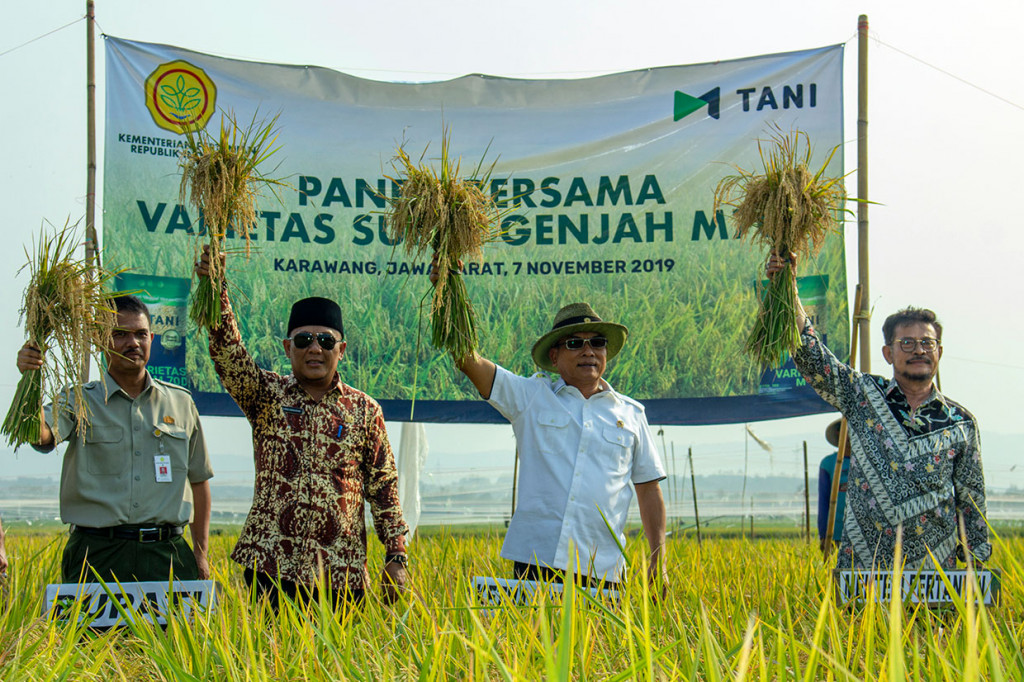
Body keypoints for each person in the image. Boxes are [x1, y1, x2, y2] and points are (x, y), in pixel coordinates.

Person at [432, 264, 667, 591]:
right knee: (532, 628)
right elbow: (466, 358)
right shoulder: (530, 397)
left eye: (597, 342)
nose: (588, 351)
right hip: (536, 562)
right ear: (554, 357)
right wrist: (446, 291)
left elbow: (648, 489)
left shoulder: (631, 414)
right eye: (575, 344)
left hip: (603, 568)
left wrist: (658, 561)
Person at [197, 247, 408, 608]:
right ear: (287, 348)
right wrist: (216, 290)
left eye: (325, 341)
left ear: (341, 349)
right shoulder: (265, 396)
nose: (314, 349)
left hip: (341, 573)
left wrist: (396, 555)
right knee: (267, 647)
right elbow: (228, 354)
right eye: (303, 340)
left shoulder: (364, 410)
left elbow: (384, 488)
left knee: (340, 649)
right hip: (271, 568)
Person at [767, 253, 989, 570]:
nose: (919, 350)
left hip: (936, 575)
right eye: (907, 343)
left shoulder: (960, 423)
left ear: (939, 351)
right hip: (864, 571)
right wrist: (788, 288)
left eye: (927, 343)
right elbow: (814, 359)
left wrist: (975, 571)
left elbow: (972, 504)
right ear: (888, 353)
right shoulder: (865, 396)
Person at [16, 295, 213, 583]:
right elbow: (40, 435)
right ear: (100, 340)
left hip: (167, 554)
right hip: (96, 554)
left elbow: (199, 481)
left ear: (151, 338)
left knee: (173, 617)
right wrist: (30, 379)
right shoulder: (79, 400)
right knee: (87, 617)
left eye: (140, 334)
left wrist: (200, 554)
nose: (133, 343)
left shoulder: (180, 403)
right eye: (120, 334)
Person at [817, 418, 850, 552]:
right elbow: (823, 501)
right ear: (838, 433)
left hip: (862, 532)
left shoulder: (866, 462)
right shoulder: (828, 463)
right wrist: (823, 534)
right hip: (835, 532)